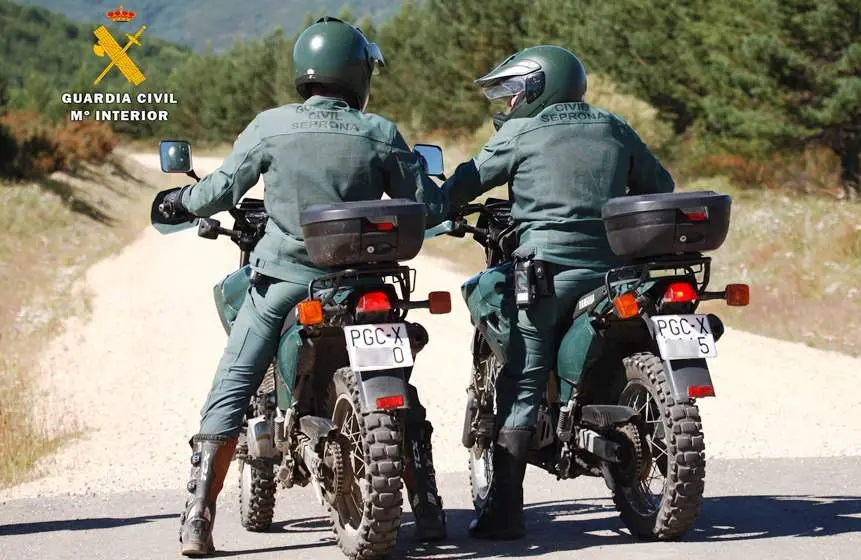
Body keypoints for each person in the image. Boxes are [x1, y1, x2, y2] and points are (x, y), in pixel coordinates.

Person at [158, 17, 450, 557]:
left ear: (306, 71)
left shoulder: (271, 126)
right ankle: (429, 507)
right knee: (400, 386)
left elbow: (221, 190)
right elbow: (429, 207)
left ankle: (199, 515)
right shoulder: (380, 132)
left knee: (235, 381)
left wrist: (181, 201)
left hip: (284, 285)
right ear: (357, 74)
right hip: (365, 287)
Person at [440, 45, 675, 540]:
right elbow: (661, 185)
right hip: (617, 276)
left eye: (511, 94)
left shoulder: (523, 132)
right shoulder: (613, 126)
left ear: (536, 87)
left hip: (548, 274)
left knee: (522, 383)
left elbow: (463, 185)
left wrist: (433, 204)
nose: (507, 105)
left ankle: (504, 512)